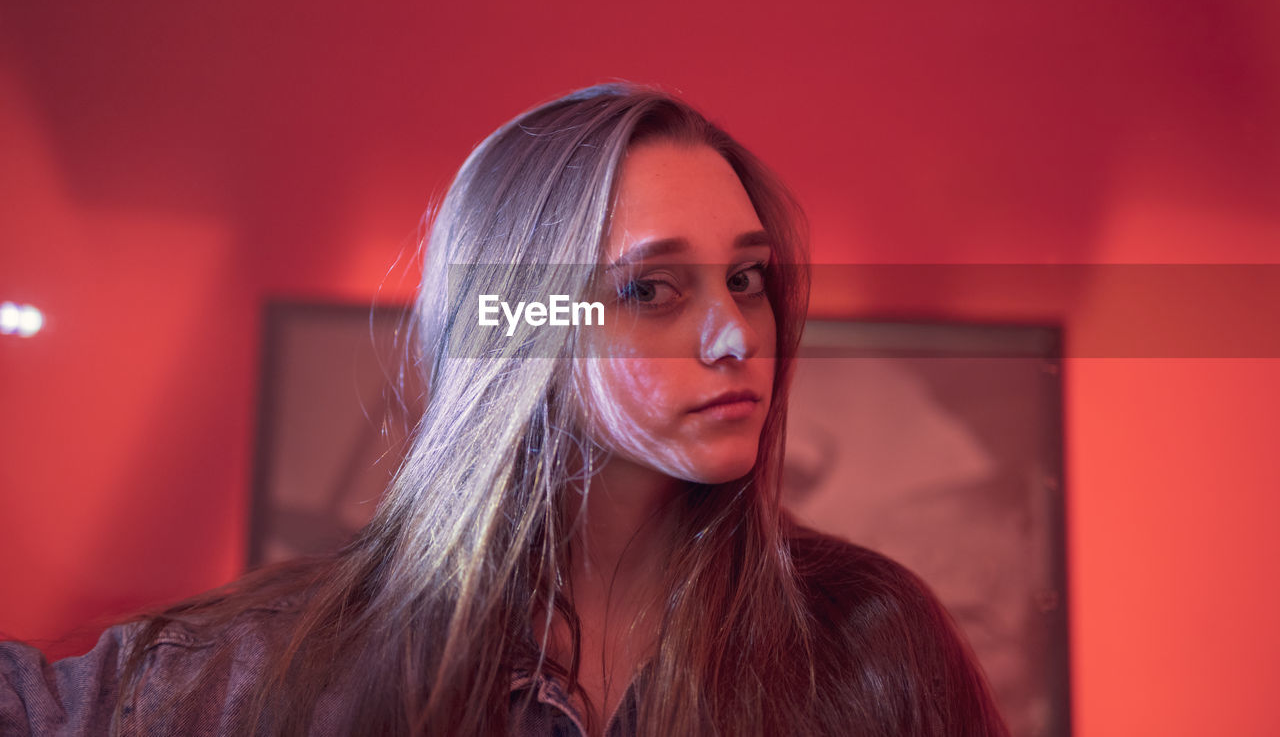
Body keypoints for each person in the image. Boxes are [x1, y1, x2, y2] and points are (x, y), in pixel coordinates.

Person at [1, 84, 1008, 736]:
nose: (734, 333)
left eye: (746, 278)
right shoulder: (282, 669)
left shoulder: (868, 642)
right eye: (652, 290)